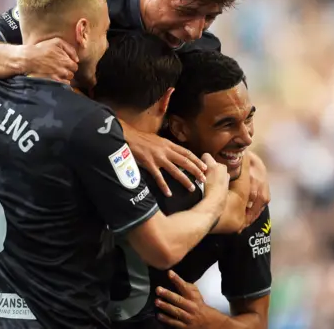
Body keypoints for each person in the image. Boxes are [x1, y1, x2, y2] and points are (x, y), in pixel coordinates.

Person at [0, 0, 231, 329]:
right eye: (105, 32)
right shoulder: (90, 124)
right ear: (83, 31)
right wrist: (216, 197)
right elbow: (162, 245)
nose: (107, 46)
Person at [92, 50, 271, 329]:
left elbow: (257, 320)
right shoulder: (120, 171)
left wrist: (210, 322)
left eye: (248, 118)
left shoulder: (251, 196)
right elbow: (163, 247)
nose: (247, 137)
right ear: (179, 128)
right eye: (226, 125)